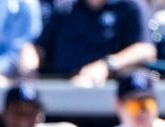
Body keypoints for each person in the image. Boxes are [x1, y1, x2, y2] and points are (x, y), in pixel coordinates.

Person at [25, 0, 157, 87]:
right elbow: (38, 48)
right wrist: (29, 63)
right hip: (61, 89)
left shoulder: (130, 6)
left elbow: (145, 50)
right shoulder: (64, 8)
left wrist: (106, 65)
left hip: (108, 92)